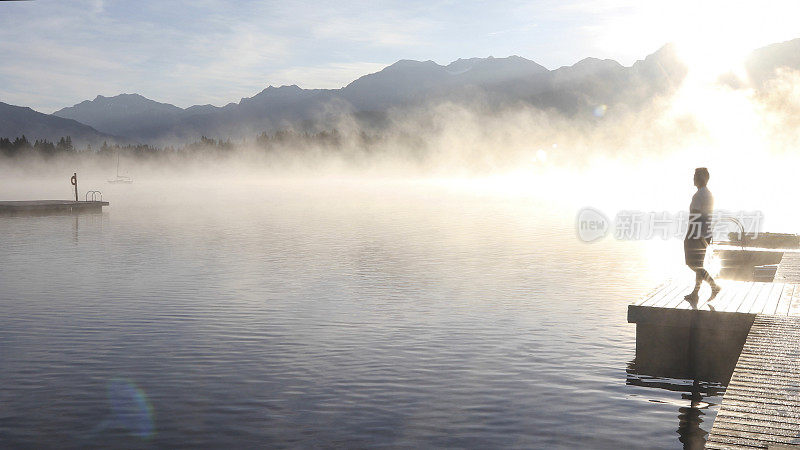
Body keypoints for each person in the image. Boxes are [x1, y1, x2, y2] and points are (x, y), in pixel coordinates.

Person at [684, 167, 720, 304]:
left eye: (695, 176)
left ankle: (713, 286)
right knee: (698, 264)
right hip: (706, 233)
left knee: (692, 263)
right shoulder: (709, 194)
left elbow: (695, 217)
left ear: (701, 178)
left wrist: (690, 235)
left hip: (697, 234)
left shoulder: (698, 196)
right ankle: (695, 293)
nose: (693, 178)